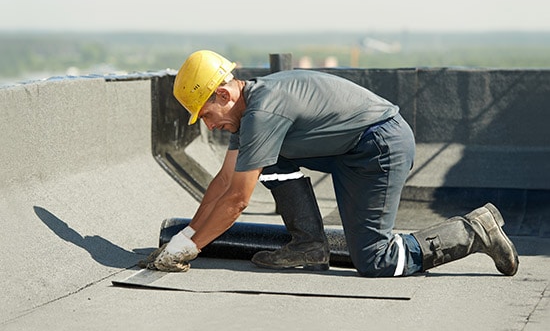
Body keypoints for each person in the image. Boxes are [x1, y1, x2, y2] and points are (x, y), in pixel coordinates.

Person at [140, 50, 519, 277]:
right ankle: (309, 244)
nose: (209, 125)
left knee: (376, 260)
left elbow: (237, 201)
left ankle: (472, 232)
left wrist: (189, 250)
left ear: (223, 92)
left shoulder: (263, 111)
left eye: (207, 114)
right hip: (351, 149)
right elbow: (224, 183)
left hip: (379, 147)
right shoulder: (247, 114)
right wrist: (185, 236)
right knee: (264, 160)